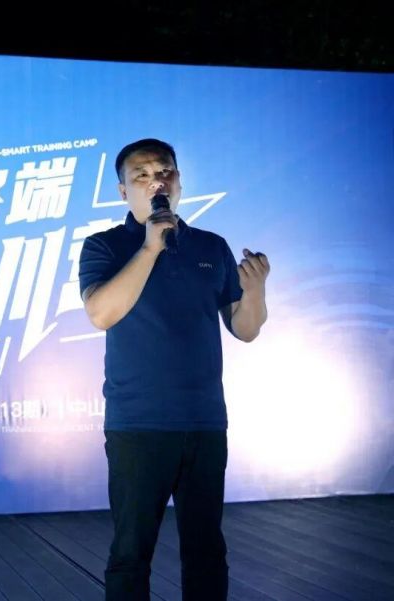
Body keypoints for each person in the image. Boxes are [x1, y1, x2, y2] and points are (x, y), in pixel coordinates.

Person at [78, 138, 269, 600]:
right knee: (131, 552)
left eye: (165, 172)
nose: (156, 182)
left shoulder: (211, 246)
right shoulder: (105, 245)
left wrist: (257, 291)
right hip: (138, 424)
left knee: (206, 550)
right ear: (123, 191)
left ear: (179, 180)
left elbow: (245, 330)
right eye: (142, 175)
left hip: (204, 421)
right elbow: (101, 313)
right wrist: (150, 248)